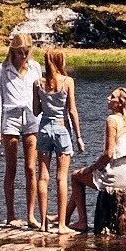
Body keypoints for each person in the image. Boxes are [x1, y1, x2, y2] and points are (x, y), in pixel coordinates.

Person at [67, 87, 126, 233]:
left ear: (120, 103)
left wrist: (91, 168)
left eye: (112, 97)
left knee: (76, 177)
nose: (108, 98)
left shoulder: (112, 120)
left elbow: (108, 154)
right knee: (81, 176)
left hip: (116, 176)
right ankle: (64, 217)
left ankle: (81, 221)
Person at [0, 33, 42, 227]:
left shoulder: (35, 67)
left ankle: (30, 215)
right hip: (10, 118)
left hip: (32, 118)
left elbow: (40, 94)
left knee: (30, 167)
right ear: (13, 51)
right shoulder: (3, 69)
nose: (23, 55)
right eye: (20, 52)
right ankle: (11, 215)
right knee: (10, 168)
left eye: (27, 52)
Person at [33, 47, 84, 234]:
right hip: (62, 129)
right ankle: (62, 224)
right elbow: (72, 111)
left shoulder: (38, 83)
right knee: (61, 177)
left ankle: (43, 223)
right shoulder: (68, 82)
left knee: (43, 177)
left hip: (44, 128)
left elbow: (36, 111)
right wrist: (78, 136)